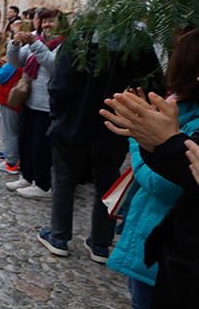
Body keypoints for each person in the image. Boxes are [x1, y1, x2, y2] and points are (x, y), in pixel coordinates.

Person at [86, 28, 199, 309]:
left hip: (172, 243)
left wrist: (141, 137)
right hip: (154, 234)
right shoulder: (183, 108)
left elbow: (163, 182)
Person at [37, 21, 162, 260]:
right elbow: (151, 84)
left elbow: (60, 84)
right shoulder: (139, 44)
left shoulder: (79, 38)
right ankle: (100, 243)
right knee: (106, 182)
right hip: (112, 126)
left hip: (74, 124)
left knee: (65, 180)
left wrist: (58, 116)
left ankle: (59, 236)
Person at [4, 8, 62, 199]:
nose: (47, 24)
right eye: (44, 21)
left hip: (46, 104)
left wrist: (35, 44)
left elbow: (53, 66)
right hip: (28, 100)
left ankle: (43, 185)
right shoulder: (38, 41)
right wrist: (14, 43)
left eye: (51, 21)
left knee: (40, 146)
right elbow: (16, 62)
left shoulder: (62, 45)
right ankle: (27, 177)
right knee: (25, 141)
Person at [0, 48, 23, 176]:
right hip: (19, 102)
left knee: (9, 133)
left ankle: (11, 163)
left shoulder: (14, 62)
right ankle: (15, 159)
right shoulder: (24, 60)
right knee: (15, 132)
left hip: (10, 101)